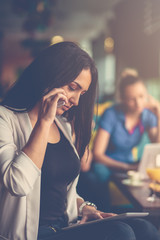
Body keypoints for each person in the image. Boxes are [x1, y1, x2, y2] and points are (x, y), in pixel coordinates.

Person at [0, 42, 160, 240]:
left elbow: (65, 193)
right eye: (72, 88)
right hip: (31, 234)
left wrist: (85, 208)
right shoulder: (5, 119)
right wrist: (44, 121)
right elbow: (18, 184)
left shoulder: (63, 126)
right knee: (121, 233)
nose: (76, 101)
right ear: (50, 75)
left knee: (146, 229)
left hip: (63, 227)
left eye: (81, 93)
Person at [92, 74, 160, 183]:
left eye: (141, 96)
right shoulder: (111, 114)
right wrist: (127, 167)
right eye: (131, 99)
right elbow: (97, 154)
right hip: (107, 164)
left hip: (130, 162)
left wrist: (159, 115)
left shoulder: (147, 115)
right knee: (100, 172)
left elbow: (157, 146)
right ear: (123, 99)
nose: (138, 103)